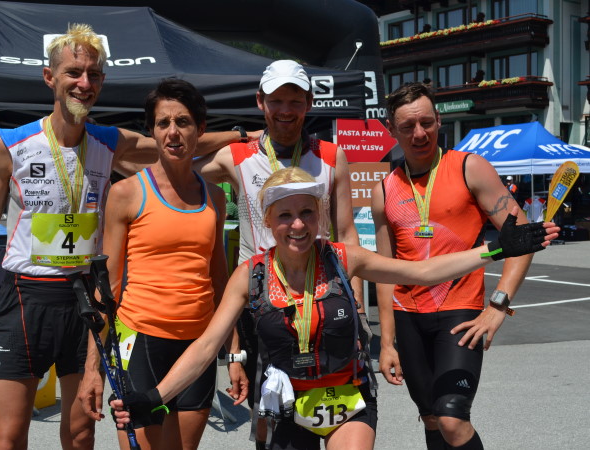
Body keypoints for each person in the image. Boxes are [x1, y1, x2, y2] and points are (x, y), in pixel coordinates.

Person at [109, 167, 557, 450]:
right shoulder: (251, 275)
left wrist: (495, 249)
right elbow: (207, 346)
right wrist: (154, 397)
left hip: (349, 398)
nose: (297, 225)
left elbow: (422, 272)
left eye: (307, 213)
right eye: (285, 215)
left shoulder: (343, 258)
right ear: (268, 221)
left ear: (320, 217)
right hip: (285, 402)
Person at [0, 23, 258, 450]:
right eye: (73, 73)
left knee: (82, 433)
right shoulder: (9, 144)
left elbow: (177, 140)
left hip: (88, 300)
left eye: (94, 75)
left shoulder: (108, 140)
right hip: (27, 295)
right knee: (7, 437)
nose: (84, 84)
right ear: (49, 77)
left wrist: (242, 135)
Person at [194, 59, 363, 448]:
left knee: (332, 409)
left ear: (309, 103)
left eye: (295, 101)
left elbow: (347, 233)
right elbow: (177, 157)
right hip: (262, 305)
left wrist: (354, 309)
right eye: (276, 101)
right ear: (260, 102)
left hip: (322, 297)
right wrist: (238, 133)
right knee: (272, 425)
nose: (286, 110)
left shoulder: (331, 156)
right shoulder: (237, 154)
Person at [78, 78, 243, 450]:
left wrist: (234, 352)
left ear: (200, 130)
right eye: (163, 123)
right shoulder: (126, 193)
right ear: (151, 131)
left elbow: (221, 280)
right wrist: (93, 368)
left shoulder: (214, 197)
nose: (173, 132)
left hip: (198, 346)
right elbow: (107, 287)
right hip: (141, 342)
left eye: (183, 122)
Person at [372, 82, 538, 449]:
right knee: (432, 419)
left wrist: (498, 306)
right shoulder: (384, 189)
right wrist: (386, 343)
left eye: (427, 123)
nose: (419, 134)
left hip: (459, 311)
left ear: (439, 119)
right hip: (408, 317)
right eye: (408, 127)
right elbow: (384, 271)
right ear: (391, 129)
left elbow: (522, 238)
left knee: (452, 417)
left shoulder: (469, 168)